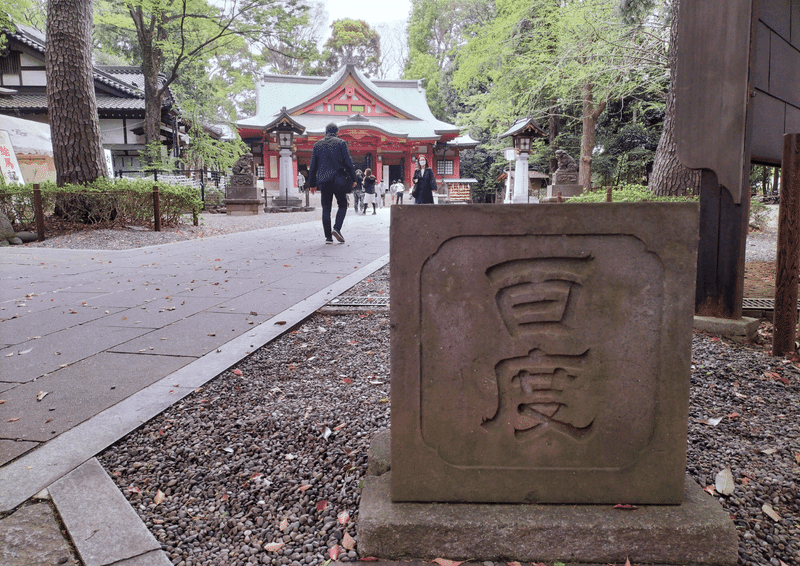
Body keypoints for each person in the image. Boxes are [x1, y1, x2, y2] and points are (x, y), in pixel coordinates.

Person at [308, 123, 357, 244]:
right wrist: (354, 178)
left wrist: (312, 184)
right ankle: (336, 228)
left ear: (325, 131)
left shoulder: (317, 145)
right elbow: (348, 162)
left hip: (324, 181)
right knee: (343, 204)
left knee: (326, 208)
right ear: (337, 132)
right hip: (338, 179)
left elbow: (313, 165)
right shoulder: (341, 143)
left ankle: (328, 238)